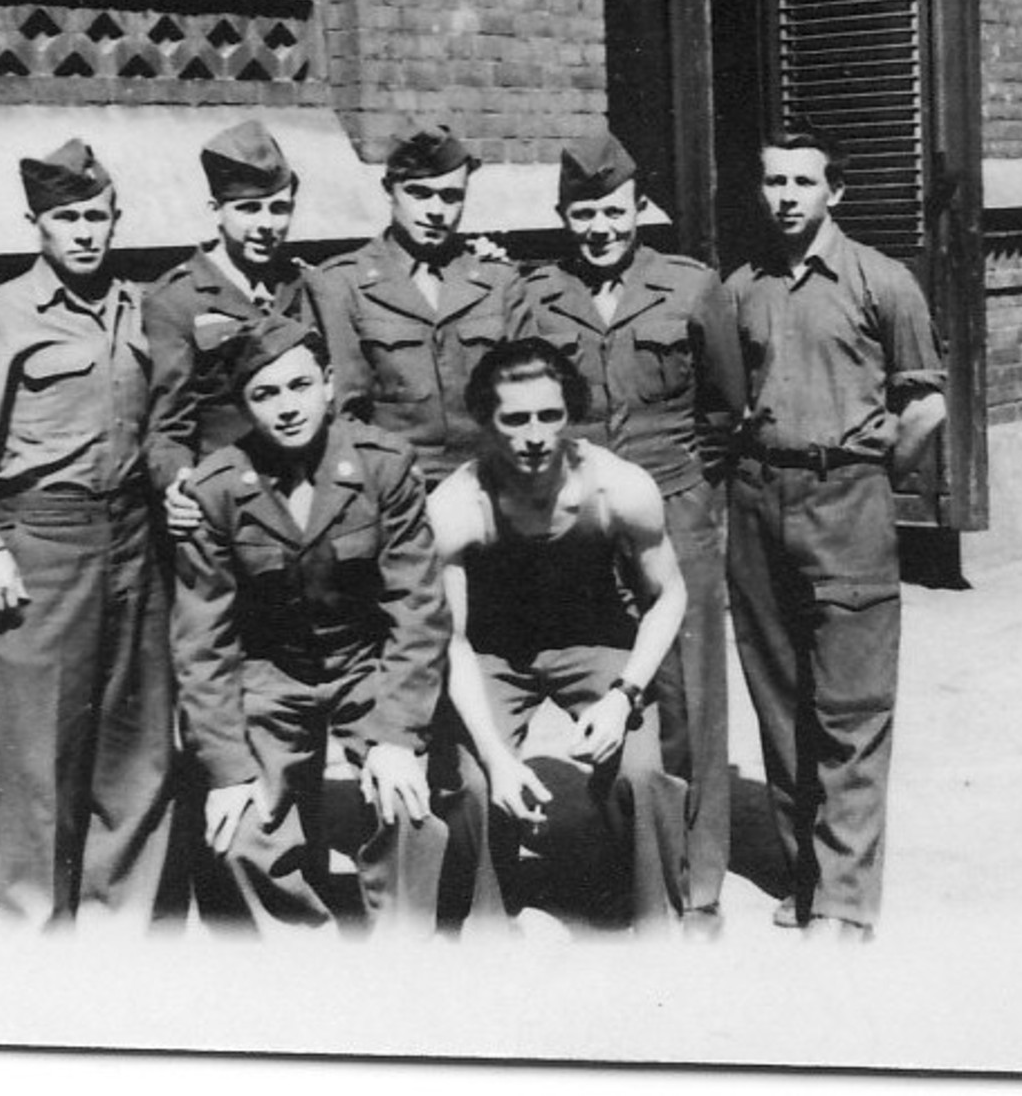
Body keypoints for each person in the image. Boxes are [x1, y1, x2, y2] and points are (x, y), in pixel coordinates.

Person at [0, 138, 175, 930]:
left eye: (97, 216)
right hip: (45, 540)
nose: (85, 232)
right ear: (37, 224)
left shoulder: (140, 307)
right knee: (42, 746)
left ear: (116, 219)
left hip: (134, 535)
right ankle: (36, 928)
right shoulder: (2, 315)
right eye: (68, 219)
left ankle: (118, 923)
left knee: (135, 741)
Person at [507, 131, 744, 931]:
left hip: (674, 511)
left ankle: (698, 882)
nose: (600, 227)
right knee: (610, 686)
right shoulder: (537, 295)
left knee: (691, 698)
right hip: (578, 523)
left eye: (613, 210)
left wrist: (687, 489)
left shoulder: (691, 286)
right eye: (583, 213)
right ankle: (627, 864)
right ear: (563, 216)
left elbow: (723, 408)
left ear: (639, 208)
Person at [724, 127, 948, 940]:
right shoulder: (742, 287)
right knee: (780, 700)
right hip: (759, 499)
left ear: (835, 192)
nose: (785, 196)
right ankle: (805, 878)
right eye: (774, 181)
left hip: (847, 497)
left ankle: (847, 901)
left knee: (851, 704)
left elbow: (926, 404)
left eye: (802, 182)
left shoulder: (882, 282)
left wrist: (870, 475)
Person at [170, 315, 456, 933]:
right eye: (265, 394)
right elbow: (202, 640)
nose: (287, 408)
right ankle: (305, 954)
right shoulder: (217, 488)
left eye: (300, 386)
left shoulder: (383, 466)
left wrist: (398, 735)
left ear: (328, 383)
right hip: (270, 672)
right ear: (244, 406)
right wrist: (228, 769)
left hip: (365, 664)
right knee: (239, 825)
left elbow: (417, 608)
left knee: (407, 805)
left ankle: (402, 953)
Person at [430, 338, 689, 934]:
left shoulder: (619, 487)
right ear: (486, 421)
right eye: (515, 419)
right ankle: (485, 920)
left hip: (594, 639)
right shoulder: (457, 505)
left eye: (550, 416)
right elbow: (452, 641)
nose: (535, 436)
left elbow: (669, 596)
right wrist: (496, 757)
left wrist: (623, 695)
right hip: (491, 650)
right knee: (474, 782)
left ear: (570, 414)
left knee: (641, 773)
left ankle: (653, 919)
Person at [312, 124, 518, 489]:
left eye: (451, 196)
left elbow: (528, 392)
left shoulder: (497, 280)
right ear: (389, 190)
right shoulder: (341, 284)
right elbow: (341, 414)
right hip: (395, 487)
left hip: (492, 482)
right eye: (419, 193)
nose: (436, 211)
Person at [144, 118, 319, 494]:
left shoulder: (305, 284)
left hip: (308, 489)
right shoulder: (176, 301)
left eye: (279, 208)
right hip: (229, 495)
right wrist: (181, 487)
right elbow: (169, 428)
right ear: (216, 210)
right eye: (249, 209)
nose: (267, 224)